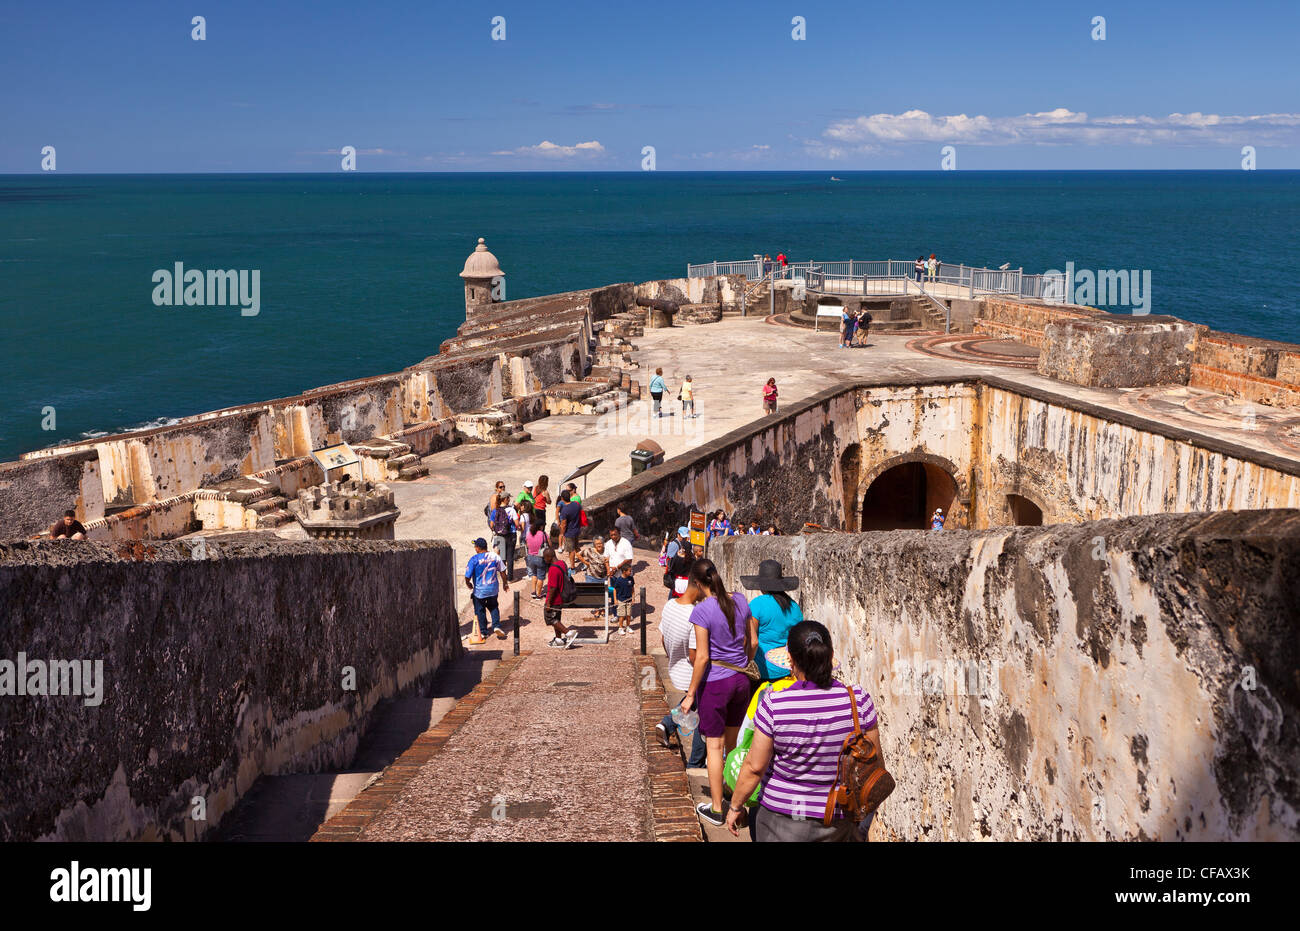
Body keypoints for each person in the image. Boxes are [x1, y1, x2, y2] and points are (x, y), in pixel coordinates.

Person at [725, 620, 882, 841]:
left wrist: (735, 806)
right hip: (838, 819)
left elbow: (754, 767)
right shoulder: (858, 700)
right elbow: (873, 766)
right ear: (831, 655)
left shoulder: (774, 703)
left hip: (780, 821)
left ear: (790, 659)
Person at [678, 558, 754, 827]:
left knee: (714, 745)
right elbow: (752, 641)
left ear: (698, 583)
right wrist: (745, 663)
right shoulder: (741, 601)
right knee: (733, 746)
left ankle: (716, 809)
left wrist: (689, 694)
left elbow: (702, 658)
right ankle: (736, 803)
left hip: (717, 682)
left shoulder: (702, 611)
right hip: (741, 679)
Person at [655, 571, 707, 767]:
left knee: (691, 704)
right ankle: (696, 762)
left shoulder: (670, 605)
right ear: (700, 585)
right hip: (691, 671)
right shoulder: (695, 614)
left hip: (677, 667)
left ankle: (667, 724)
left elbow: (662, 637)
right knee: (702, 715)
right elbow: (696, 656)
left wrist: (672, 657)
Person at [741, 560, 805, 681]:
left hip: (762, 670)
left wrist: (746, 663)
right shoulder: (794, 607)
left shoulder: (757, 604)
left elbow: (750, 640)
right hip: (787, 669)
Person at [464, 537, 509, 643]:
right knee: (493, 607)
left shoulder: (474, 559)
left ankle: (483, 631)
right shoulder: (495, 556)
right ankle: (496, 625)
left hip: (480, 591)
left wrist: (468, 583)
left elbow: (467, 575)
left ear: (478, 548)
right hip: (493, 589)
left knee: (480, 610)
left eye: (475, 546)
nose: (475, 548)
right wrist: (505, 584)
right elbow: (502, 571)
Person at [542, 547, 580, 648]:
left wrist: (548, 603)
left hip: (555, 599)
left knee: (550, 618)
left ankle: (568, 633)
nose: (544, 560)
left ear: (549, 557)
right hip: (561, 597)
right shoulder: (562, 563)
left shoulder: (553, 569)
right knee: (557, 618)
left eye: (545, 557)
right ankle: (558, 639)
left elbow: (553, 588)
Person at [488, 493, 518, 581]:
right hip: (511, 534)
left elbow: (491, 524)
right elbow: (517, 524)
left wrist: (497, 530)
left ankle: (503, 577)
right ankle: (510, 578)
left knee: (502, 557)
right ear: (505, 499)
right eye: (508, 498)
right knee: (510, 557)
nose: (509, 500)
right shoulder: (511, 510)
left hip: (499, 535)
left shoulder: (495, 511)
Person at [523, 515, 548, 600]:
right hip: (540, 557)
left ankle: (533, 592)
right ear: (541, 526)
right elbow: (549, 544)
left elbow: (527, 544)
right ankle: (538, 594)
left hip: (530, 556)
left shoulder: (529, 533)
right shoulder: (543, 534)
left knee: (534, 574)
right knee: (541, 576)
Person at [664, 530, 695, 596]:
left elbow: (672, 567)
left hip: (678, 581)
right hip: (683, 582)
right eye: (683, 537)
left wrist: (677, 556)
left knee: (673, 598)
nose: (684, 539)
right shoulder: (692, 559)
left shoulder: (678, 557)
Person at [610, 562, 635, 636]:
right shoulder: (619, 580)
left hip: (629, 599)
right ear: (624, 571)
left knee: (628, 615)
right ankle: (620, 628)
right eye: (629, 571)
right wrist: (615, 599)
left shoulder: (631, 578)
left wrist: (633, 598)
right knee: (621, 615)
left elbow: (632, 589)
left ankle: (628, 626)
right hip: (621, 600)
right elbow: (615, 590)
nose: (630, 572)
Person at [557, 489, 584, 554]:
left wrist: (562, 533)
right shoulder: (577, 504)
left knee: (571, 551)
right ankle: (583, 560)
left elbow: (564, 525)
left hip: (569, 532)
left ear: (562, 498)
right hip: (577, 529)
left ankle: (572, 564)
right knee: (576, 547)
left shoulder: (564, 510)